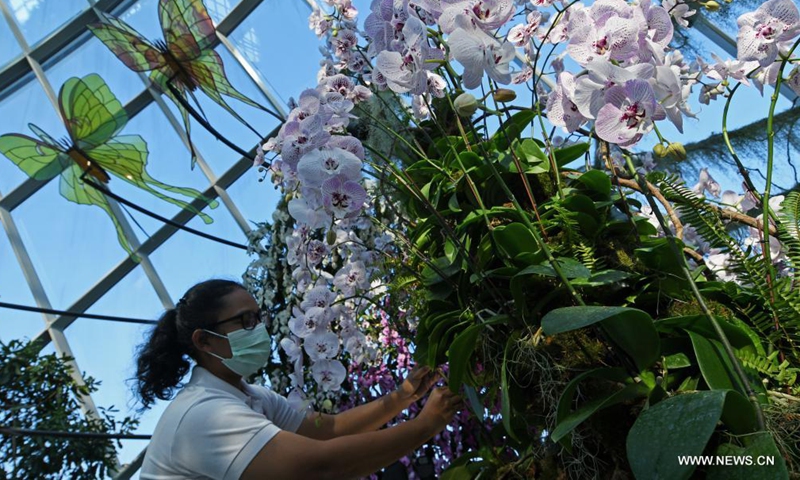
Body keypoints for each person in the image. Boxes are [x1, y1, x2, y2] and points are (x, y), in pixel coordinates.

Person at [135, 279, 460, 479]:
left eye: (259, 318)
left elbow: (327, 430)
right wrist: (425, 426)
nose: (259, 330)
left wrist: (404, 395)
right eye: (245, 321)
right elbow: (318, 466)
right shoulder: (202, 414)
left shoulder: (251, 397)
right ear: (204, 341)